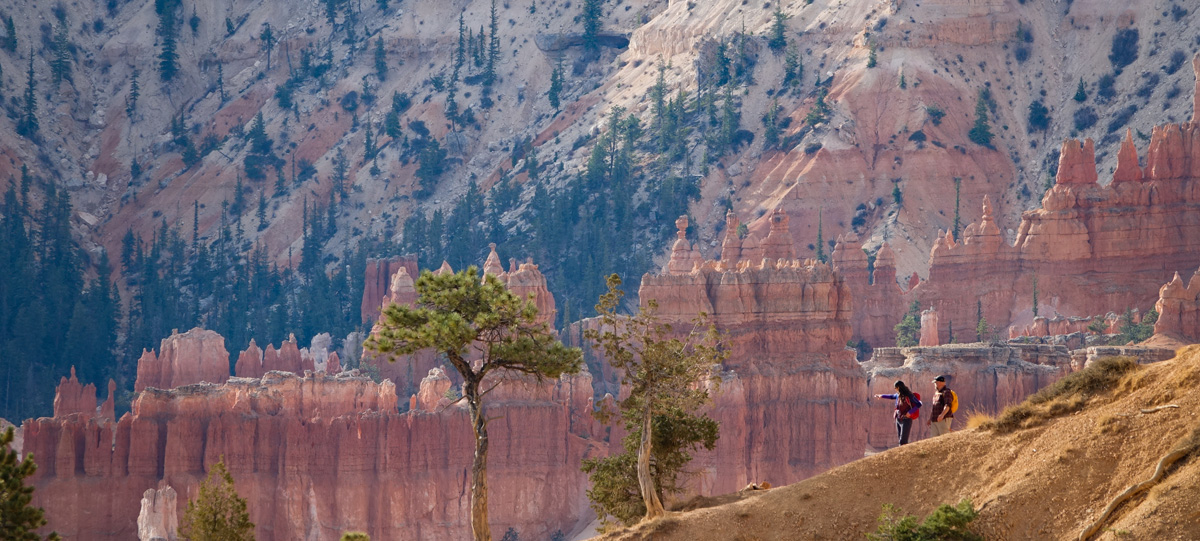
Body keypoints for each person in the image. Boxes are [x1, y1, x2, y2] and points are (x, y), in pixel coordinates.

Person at [875, 380, 920, 446]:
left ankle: (904, 454)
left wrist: (910, 412)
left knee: (903, 441)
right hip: (898, 419)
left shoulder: (909, 395)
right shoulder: (898, 395)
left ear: (898, 387)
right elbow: (891, 396)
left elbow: (919, 404)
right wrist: (881, 396)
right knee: (900, 440)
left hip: (906, 419)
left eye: (895, 388)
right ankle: (901, 454)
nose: (895, 389)